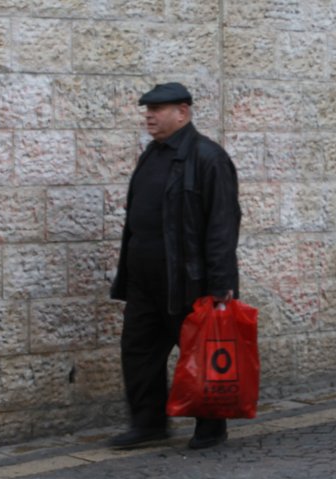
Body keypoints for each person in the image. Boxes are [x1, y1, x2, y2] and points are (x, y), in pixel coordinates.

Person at [109, 82, 241, 449]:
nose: (149, 115)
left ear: (182, 113)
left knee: (202, 354)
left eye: (157, 109)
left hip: (191, 281)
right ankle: (148, 423)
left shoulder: (209, 157)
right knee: (138, 352)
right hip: (145, 281)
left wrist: (220, 286)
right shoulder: (152, 154)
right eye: (147, 109)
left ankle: (211, 428)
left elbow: (222, 225)